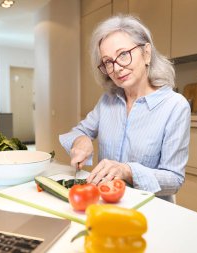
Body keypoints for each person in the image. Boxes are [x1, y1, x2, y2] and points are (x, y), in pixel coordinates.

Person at [59, 15, 190, 202]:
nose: (117, 68)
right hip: (106, 203)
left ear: (146, 53)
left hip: (150, 210)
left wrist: (127, 171)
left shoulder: (175, 106)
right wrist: (81, 140)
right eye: (108, 62)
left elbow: (174, 179)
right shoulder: (107, 101)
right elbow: (78, 132)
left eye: (123, 54)